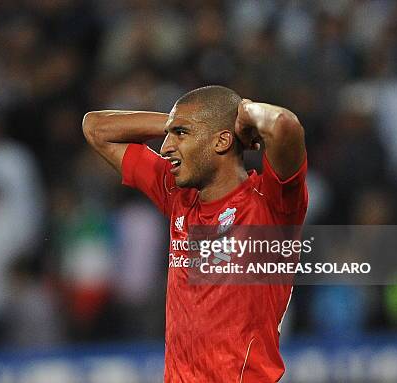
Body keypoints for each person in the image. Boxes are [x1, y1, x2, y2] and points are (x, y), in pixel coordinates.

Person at [82, 85, 307, 382]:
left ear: (222, 141)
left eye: (180, 135)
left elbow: (283, 125)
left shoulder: (270, 206)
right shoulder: (178, 195)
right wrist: (178, 123)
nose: (165, 146)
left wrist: (244, 115)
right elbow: (95, 128)